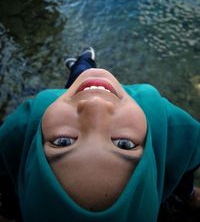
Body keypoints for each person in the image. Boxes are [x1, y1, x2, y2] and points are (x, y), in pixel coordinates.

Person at [0, 47, 200, 222]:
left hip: (63, 100)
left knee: (78, 82)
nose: (95, 106)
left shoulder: (21, 128)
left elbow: (9, 175)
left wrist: (8, 211)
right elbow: (186, 166)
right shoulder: (174, 127)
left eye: (63, 141)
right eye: (124, 144)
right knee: (84, 80)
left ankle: (81, 63)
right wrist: (189, 194)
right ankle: (83, 63)